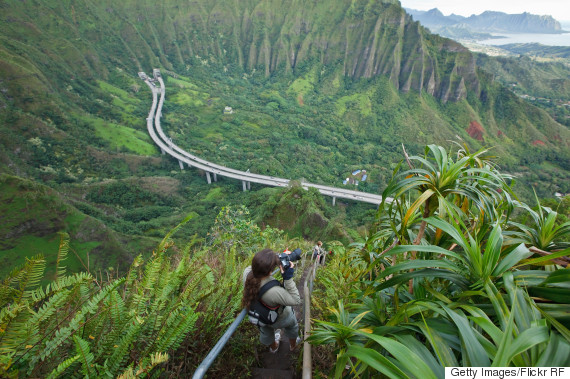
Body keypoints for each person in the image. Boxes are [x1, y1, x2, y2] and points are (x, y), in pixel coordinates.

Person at [242, 249, 302, 353]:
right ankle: (293, 346)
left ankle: (274, 348)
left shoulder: (247, 274)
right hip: (281, 318)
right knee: (292, 326)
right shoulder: (274, 291)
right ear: (270, 271)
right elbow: (296, 300)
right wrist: (288, 278)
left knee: (266, 332)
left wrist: (274, 259)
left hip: (261, 316)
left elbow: (256, 266)